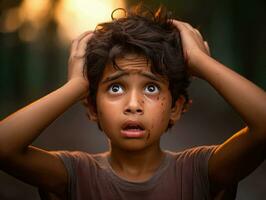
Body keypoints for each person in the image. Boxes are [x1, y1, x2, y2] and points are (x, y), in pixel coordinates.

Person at [0, 5, 265, 200]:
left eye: (151, 87)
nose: (133, 104)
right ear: (93, 108)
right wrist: (76, 86)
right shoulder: (74, 174)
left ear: (175, 107)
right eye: (116, 88)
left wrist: (201, 62)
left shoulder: (199, 171)